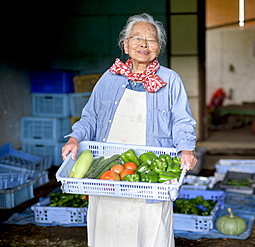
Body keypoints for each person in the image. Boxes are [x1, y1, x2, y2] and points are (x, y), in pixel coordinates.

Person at [61, 13, 198, 247]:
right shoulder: (109, 78)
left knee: (151, 230)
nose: (144, 44)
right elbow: (90, 116)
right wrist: (75, 138)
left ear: (159, 48)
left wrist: (186, 148)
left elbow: (182, 120)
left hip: (149, 172)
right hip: (111, 168)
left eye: (151, 40)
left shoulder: (170, 80)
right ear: (125, 45)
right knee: (110, 229)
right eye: (137, 38)